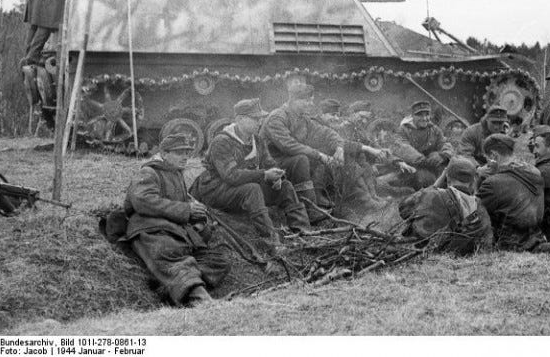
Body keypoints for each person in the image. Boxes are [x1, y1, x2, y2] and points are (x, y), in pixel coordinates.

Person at [123, 134, 230, 307]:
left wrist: (197, 216)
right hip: (152, 230)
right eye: (179, 152)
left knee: (218, 261)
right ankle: (201, 299)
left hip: (175, 231)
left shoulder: (176, 174)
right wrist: (186, 210)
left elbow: (178, 202)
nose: (185, 157)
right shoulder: (149, 172)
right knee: (172, 257)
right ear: (164, 154)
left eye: (187, 152)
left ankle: (173, 287)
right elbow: (143, 201)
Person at [191, 99, 311, 249]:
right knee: (253, 189)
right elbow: (231, 176)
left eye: (261, 118)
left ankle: (305, 232)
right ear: (240, 119)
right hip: (216, 191)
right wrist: (264, 175)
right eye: (255, 118)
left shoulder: (257, 140)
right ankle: (271, 241)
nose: (260, 122)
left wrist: (278, 177)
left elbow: (270, 163)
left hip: (239, 189)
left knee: (285, 186)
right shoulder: (222, 141)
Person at [260, 84, 384, 216]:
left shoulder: (302, 118)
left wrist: (339, 147)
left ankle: (365, 201)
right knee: (304, 158)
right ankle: (310, 209)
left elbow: (326, 133)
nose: (310, 104)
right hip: (272, 165)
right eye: (307, 100)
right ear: (294, 100)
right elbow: (288, 146)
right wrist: (320, 155)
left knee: (336, 154)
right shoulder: (277, 118)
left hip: (292, 161)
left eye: (311, 100)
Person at [477, 134, 550, 253]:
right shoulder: (535, 172)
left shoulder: (492, 183)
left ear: (493, 155)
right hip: (536, 237)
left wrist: (478, 176)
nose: (486, 164)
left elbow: (474, 211)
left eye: (487, 159)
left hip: (509, 243)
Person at [398, 157, 492, 255]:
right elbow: (486, 242)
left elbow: (403, 209)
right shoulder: (479, 206)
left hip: (421, 254)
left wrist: (436, 185)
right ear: (472, 181)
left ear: (447, 177)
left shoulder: (431, 195)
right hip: (458, 256)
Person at [397, 101, 454, 189]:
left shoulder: (434, 129)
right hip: (413, 167)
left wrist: (442, 156)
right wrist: (424, 160)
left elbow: (444, 144)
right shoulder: (404, 130)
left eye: (427, 115)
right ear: (412, 116)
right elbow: (404, 148)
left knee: (449, 173)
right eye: (420, 115)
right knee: (425, 179)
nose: (424, 118)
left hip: (432, 166)